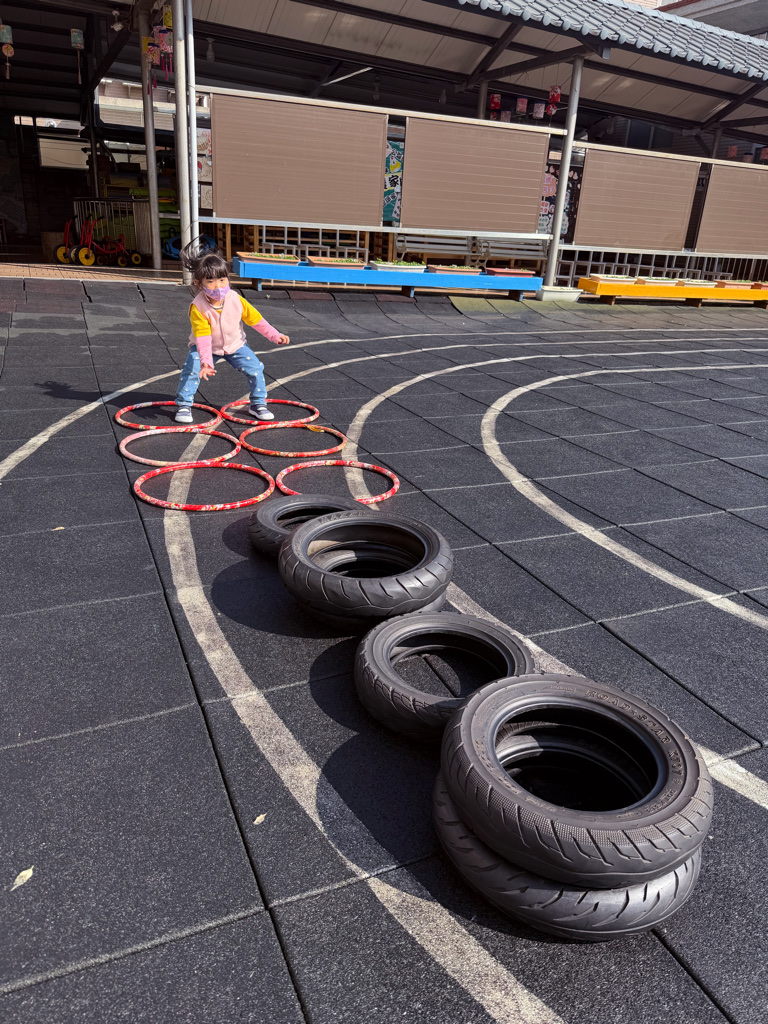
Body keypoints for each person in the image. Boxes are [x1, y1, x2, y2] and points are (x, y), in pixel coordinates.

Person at [174, 242, 290, 424]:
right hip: (207, 348)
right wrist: (205, 362)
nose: (217, 286)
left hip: (235, 345)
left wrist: (275, 335)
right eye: (210, 281)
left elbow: (256, 320)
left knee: (255, 368)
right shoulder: (198, 307)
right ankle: (184, 404)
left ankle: (258, 404)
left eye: (222, 280)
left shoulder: (236, 299)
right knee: (192, 368)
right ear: (199, 284)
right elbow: (202, 336)